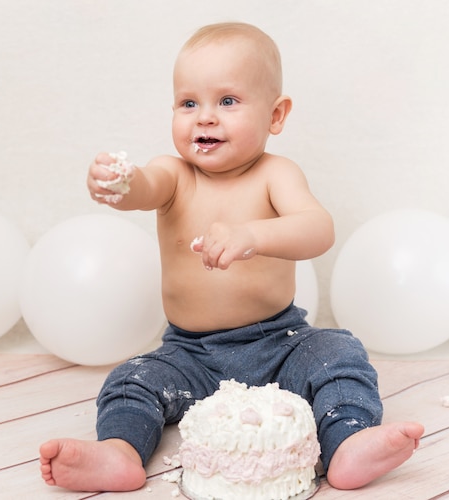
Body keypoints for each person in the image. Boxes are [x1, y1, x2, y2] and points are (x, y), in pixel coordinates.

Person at [39, 21, 424, 493]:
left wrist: (253, 235)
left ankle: (348, 441)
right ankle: (119, 453)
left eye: (227, 101)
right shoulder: (174, 174)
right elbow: (144, 188)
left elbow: (318, 229)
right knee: (131, 380)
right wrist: (119, 183)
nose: (204, 117)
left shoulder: (275, 174)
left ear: (275, 115)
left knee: (339, 354)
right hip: (189, 353)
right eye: (188, 103)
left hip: (280, 342)